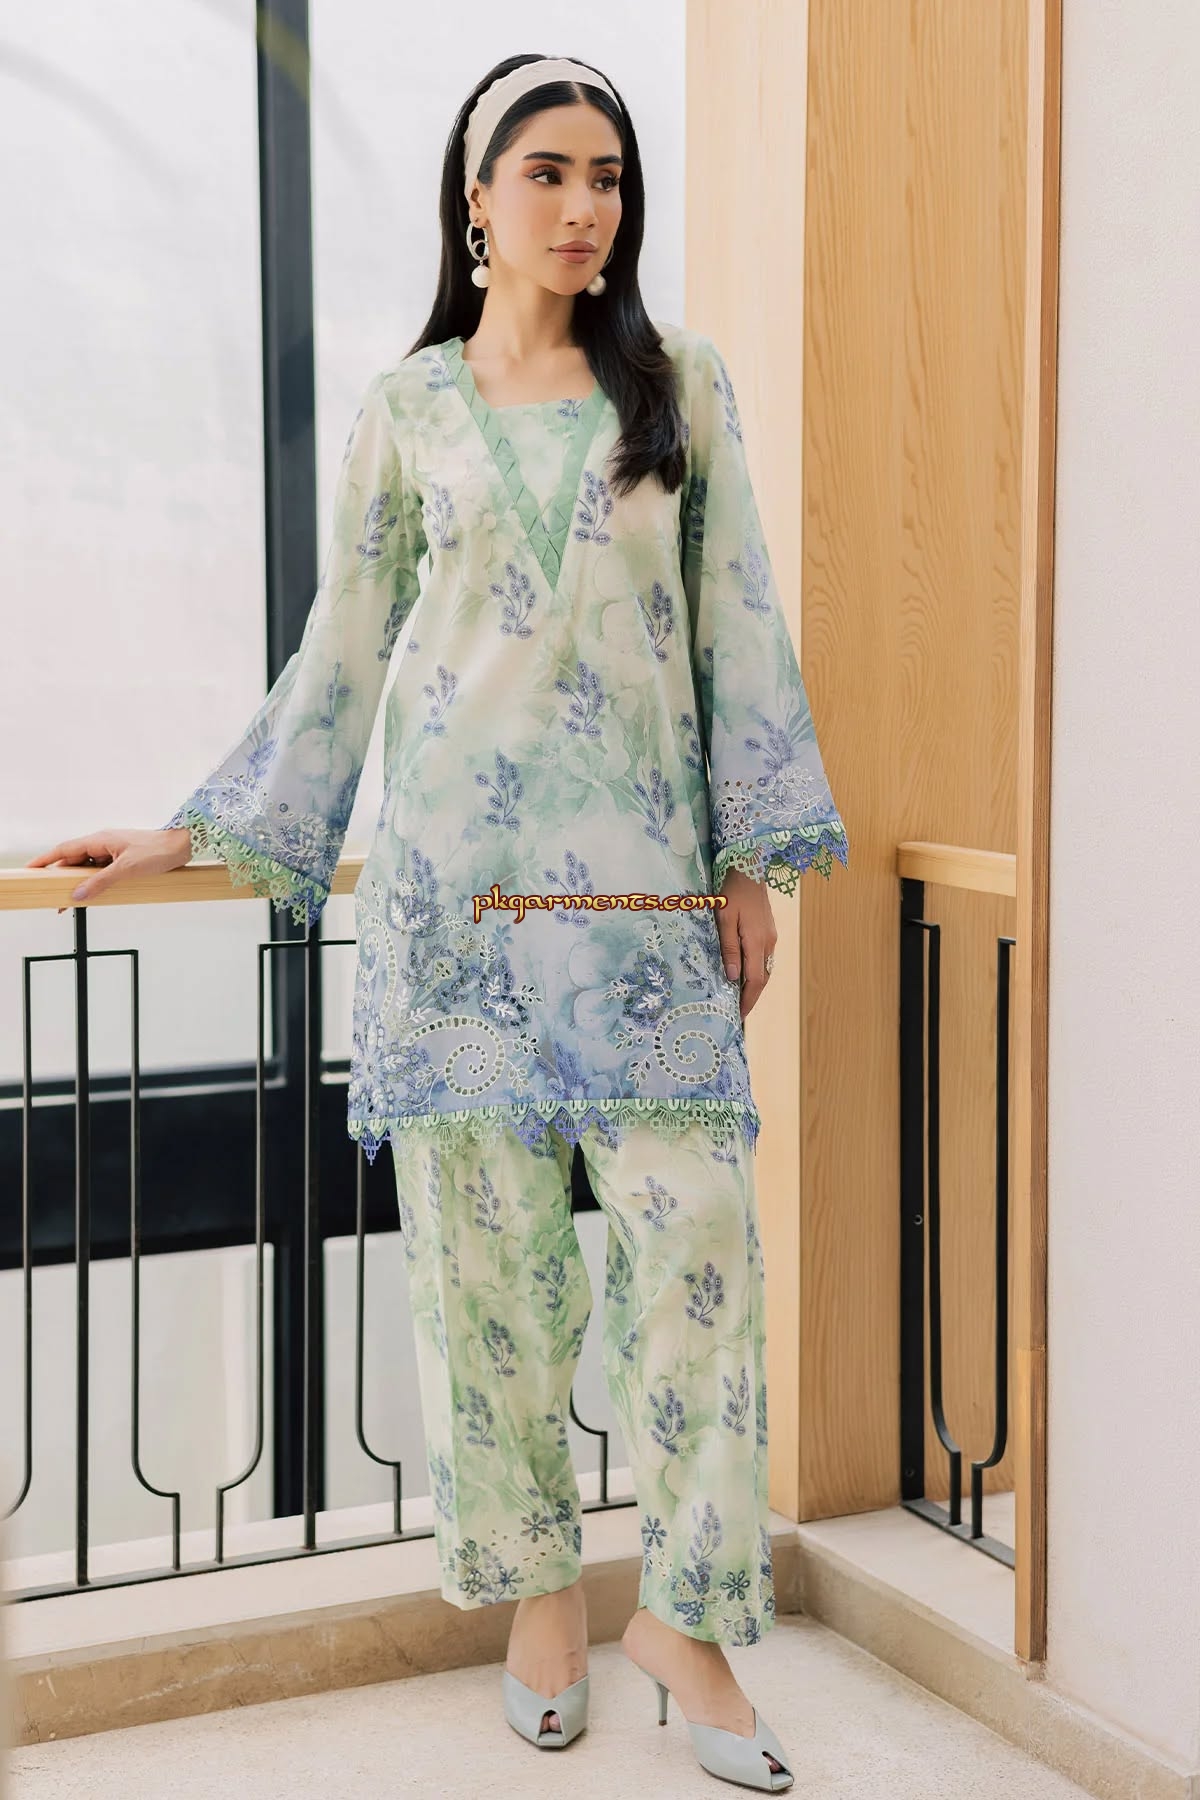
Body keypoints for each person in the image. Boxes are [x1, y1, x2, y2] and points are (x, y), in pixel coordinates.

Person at [27, 52, 847, 1790]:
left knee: (698, 1249)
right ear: (477, 201)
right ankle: (541, 1602)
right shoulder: (408, 410)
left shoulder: (681, 389)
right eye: (548, 173)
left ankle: (685, 1620)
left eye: (608, 177)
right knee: (491, 1288)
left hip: (641, 922)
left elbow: (740, 632)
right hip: (452, 924)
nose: (584, 207)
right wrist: (194, 829)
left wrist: (749, 868)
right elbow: (344, 650)